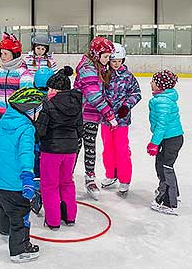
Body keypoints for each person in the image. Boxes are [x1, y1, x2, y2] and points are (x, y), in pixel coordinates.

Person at [0, 87, 44, 263]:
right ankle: (19, 250)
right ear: (30, 110)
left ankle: (4, 229)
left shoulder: (4, 121)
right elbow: (26, 153)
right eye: (38, 110)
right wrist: (27, 176)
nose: (39, 114)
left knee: (4, 207)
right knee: (20, 213)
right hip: (14, 181)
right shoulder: (26, 128)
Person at [35, 67, 82, 229]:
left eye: (49, 88)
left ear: (55, 89)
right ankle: (69, 216)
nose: (48, 91)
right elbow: (80, 129)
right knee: (67, 182)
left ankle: (53, 220)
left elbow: (40, 131)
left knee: (49, 185)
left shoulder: (48, 105)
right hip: (70, 151)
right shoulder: (76, 103)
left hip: (51, 151)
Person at [73, 37, 116, 200]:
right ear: (96, 54)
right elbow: (93, 95)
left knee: (90, 147)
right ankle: (66, 176)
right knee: (75, 147)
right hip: (80, 115)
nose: (108, 60)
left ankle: (90, 178)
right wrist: (110, 115)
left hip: (92, 116)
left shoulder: (100, 67)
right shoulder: (87, 69)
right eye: (105, 56)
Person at [100, 43, 141, 195]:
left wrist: (126, 106)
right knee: (107, 149)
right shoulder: (104, 74)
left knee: (122, 149)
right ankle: (110, 174)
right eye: (113, 61)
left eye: (119, 61)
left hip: (122, 120)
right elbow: (98, 93)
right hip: (106, 119)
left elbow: (136, 93)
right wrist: (105, 107)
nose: (116, 64)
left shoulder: (128, 76)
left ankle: (124, 178)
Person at [147, 70, 183, 216]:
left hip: (170, 139)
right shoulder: (162, 98)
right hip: (168, 138)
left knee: (165, 167)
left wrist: (154, 143)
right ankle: (172, 192)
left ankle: (168, 201)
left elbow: (162, 124)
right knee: (161, 165)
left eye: (153, 81)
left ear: (160, 86)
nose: (151, 83)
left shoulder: (163, 101)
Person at [0, 33, 33, 132]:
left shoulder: (24, 75)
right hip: (1, 118)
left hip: (18, 120)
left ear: (15, 54)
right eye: (1, 53)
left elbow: (27, 101)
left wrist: (29, 119)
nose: (2, 56)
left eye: (6, 54)